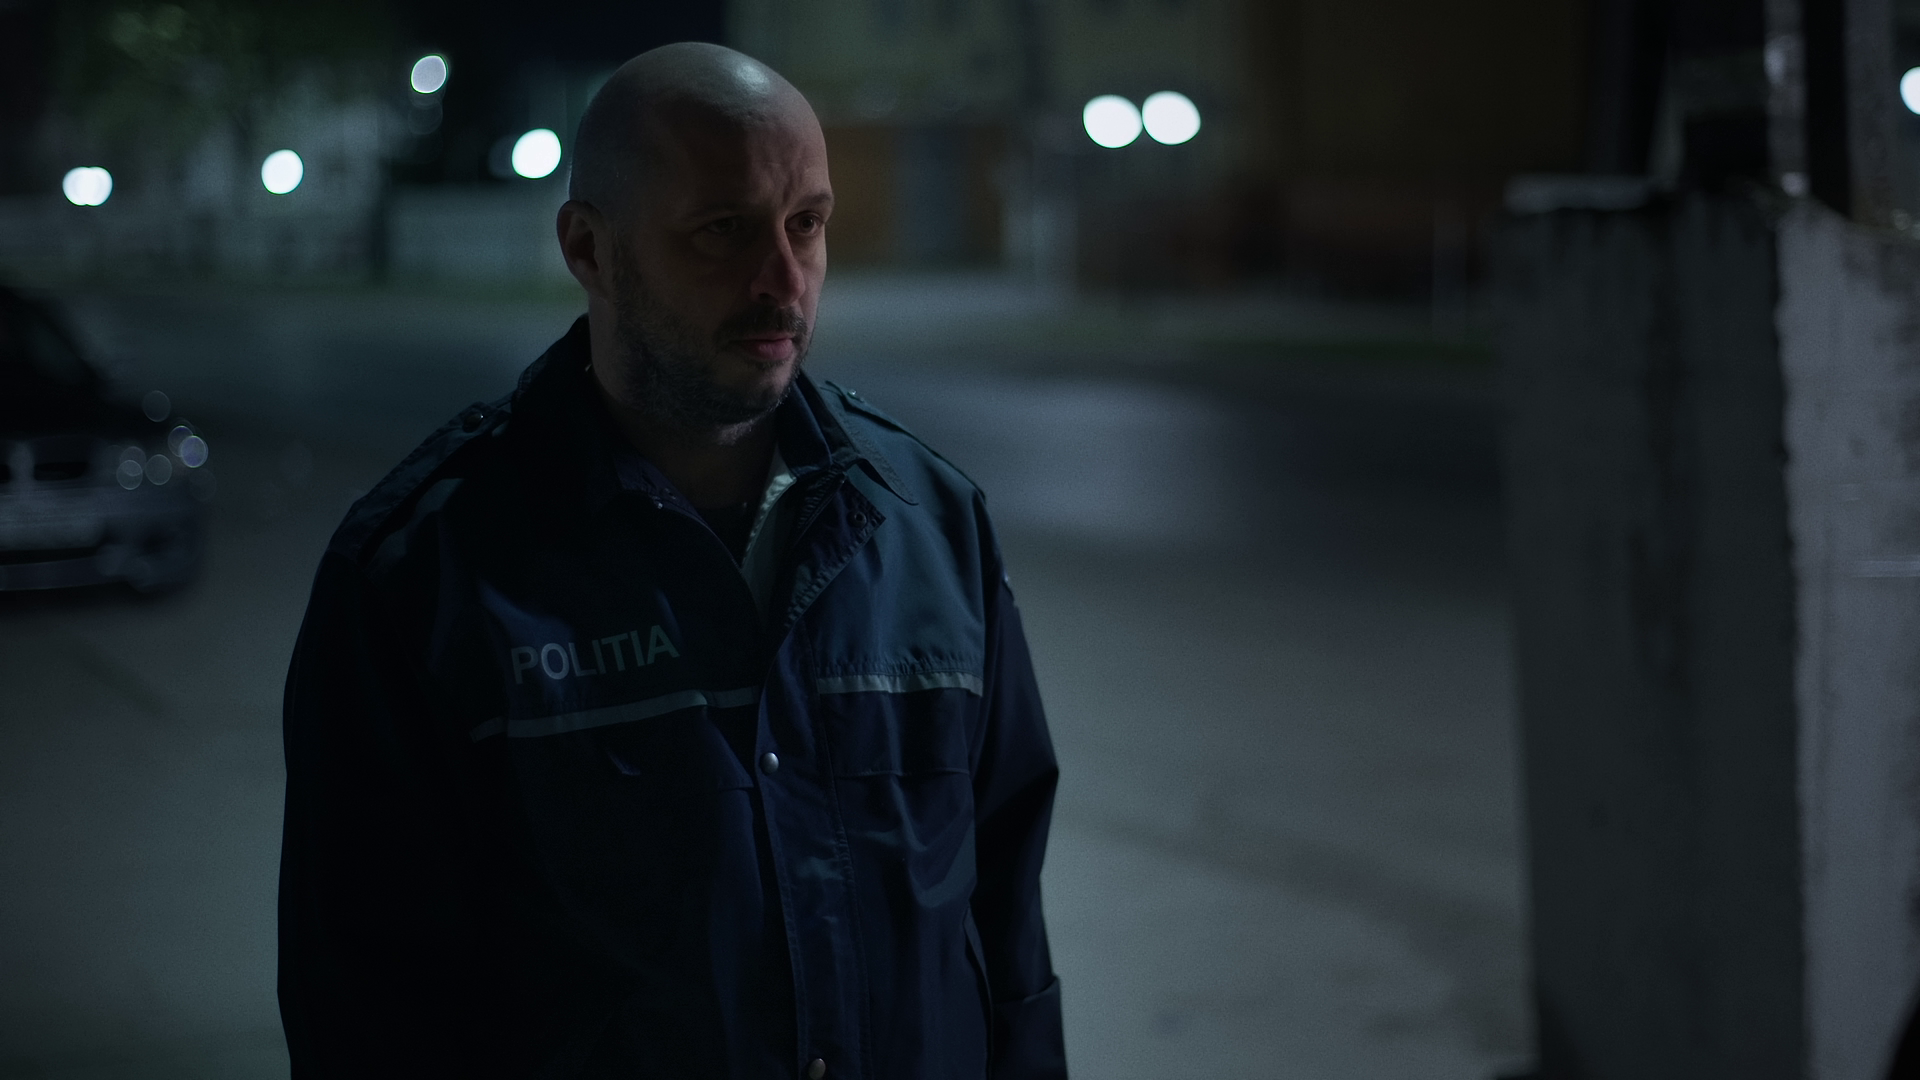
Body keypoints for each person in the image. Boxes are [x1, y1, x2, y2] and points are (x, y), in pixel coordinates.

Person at [276, 42, 1065, 1080]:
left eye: (808, 226)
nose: (782, 281)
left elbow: (1008, 941)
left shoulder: (932, 524)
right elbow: (370, 1017)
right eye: (722, 231)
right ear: (590, 250)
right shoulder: (423, 578)